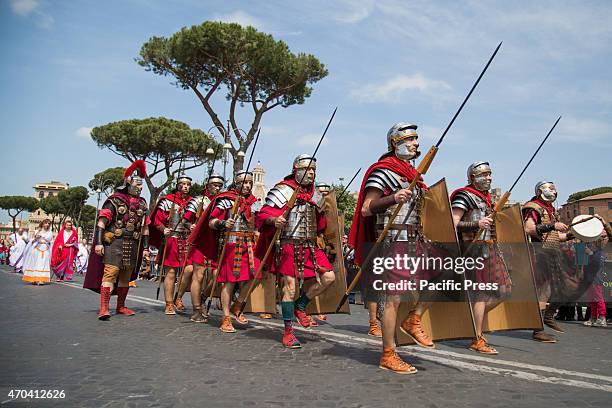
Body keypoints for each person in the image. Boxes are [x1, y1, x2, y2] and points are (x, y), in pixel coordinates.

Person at [349, 122, 433, 374]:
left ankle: (413, 319)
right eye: (410, 139)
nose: (416, 143)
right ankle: (388, 353)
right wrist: (392, 198)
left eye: (417, 139)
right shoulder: (383, 171)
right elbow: (366, 208)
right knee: (392, 299)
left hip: (415, 241)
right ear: (395, 143)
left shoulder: (413, 176)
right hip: (392, 241)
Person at [256, 154, 336, 348]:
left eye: (314, 170)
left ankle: (301, 305)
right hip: (289, 245)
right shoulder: (282, 190)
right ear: (296, 169)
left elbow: (321, 225)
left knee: (329, 277)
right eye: (308, 169)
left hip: (309, 245)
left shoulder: (316, 194)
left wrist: (322, 212)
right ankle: (288, 332)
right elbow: (263, 214)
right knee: (289, 289)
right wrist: (275, 220)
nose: (311, 173)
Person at [450, 161, 512, 354]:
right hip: (473, 249)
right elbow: (452, 224)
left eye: (489, 174)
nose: (488, 178)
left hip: (490, 249)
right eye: (483, 175)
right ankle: (477, 337)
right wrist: (476, 224)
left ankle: (471, 322)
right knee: (481, 295)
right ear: (472, 178)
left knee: (505, 290)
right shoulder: (464, 195)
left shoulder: (486, 200)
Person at [192, 171, 260, 332]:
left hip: (248, 245)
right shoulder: (226, 200)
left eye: (250, 183)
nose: (248, 186)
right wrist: (223, 223)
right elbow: (211, 222)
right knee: (229, 281)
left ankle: (238, 305)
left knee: (256, 275)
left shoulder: (253, 202)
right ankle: (226, 317)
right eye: (244, 183)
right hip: (230, 244)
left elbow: (257, 222)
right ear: (237, 184)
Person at [83, 160, 150, 320]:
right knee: (110, 274)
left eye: (141, 186)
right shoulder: (114, 200)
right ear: (128, 184)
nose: (140, 188)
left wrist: (146, 248)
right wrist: (99, 243)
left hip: (133, 244)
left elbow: (145, 228)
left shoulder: (142, 203)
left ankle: (120, 306)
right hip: (114, 243)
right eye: (137, 185)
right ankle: (104, 308)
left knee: (126, 277)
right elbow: (101, 223)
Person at [523, 181, 570, 342]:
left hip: (553, 253)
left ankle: (548, 317)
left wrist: (574, 234)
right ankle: (538, 330)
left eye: (554, 187)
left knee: (563, 288)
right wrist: (552, 226)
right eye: (549, 188)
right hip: (540, 253)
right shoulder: (534, 207)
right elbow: (528, 228)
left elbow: (557, 237)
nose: (553, 190)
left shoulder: (551, 210)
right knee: (543, 292)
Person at [149, 174, 195, 315]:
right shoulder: (166, 201)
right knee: (170, 272)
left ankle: (178, 297)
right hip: (172, 239)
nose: (185, 186)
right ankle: (169, 303)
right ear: (177, 185)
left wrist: (194, 226)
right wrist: (164, 229)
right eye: (182, 184)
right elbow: (156, 221)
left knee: (189, 269)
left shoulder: (194, 202)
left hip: (187, 240)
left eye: (188, 184)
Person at [184, 174, 224, 323]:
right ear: (208, 186)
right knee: (198, 275)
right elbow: (185, 220)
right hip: (200, 242)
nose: (217, 188)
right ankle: (196, 310)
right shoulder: (198, 201)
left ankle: (203, 297)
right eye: (214, 185)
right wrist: (191, 226)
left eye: (220, 185)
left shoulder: (223, 201)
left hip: (216, 242)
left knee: (217, 275)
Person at [22, 219, 53, 285]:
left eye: (48, 223)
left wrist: (42, 237)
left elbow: (49, 240)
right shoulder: (37, 231)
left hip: (45, 249)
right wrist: (36, 238)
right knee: (36, 264)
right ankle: (34, 279)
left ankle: (41, 279)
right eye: (46, 223)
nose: (47, 224)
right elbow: (32, 241)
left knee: (43, 264)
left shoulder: (50, 233)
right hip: (36, 249)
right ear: (42, 224)